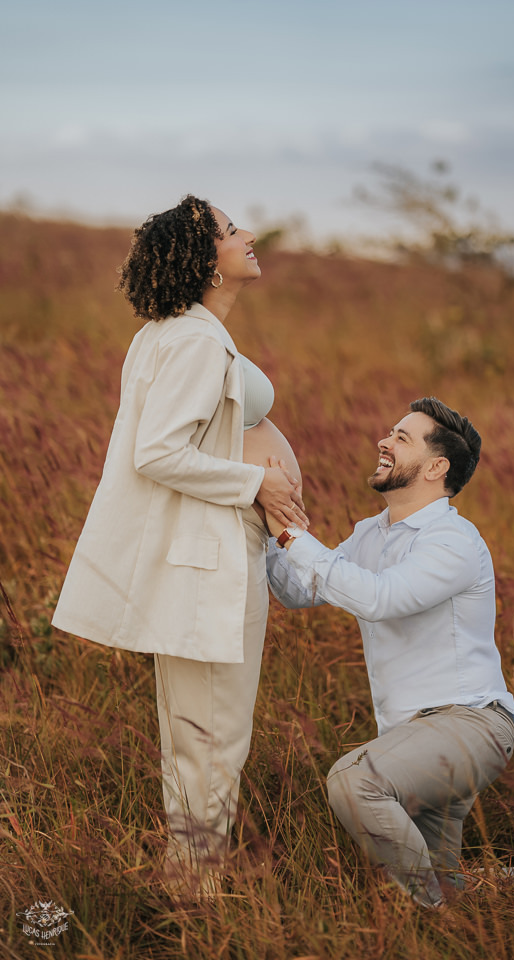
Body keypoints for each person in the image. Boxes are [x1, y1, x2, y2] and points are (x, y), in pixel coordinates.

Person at [52, 194, 307, 897]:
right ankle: (196, 898)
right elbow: (157, 453)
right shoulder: (193, 340)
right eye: (230, 231)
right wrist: (258, 480)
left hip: (211, 556)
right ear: (205, 262)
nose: (248, 235)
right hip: (207, 565)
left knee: (197, 741)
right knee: (213, 743)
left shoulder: (176, 331)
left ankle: (188, 883)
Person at [265, 396, 514, 908]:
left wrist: (291, 534)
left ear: (436, 467)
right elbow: (296, 591)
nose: (383, 441)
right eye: (389, 432)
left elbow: (380, 599)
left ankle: (435, 924)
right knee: (445, 885)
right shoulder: (370, 534)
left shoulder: (454, 541)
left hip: (471, 724)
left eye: (401, 437)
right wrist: (265, 524)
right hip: (412, 735)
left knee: (352, 782)